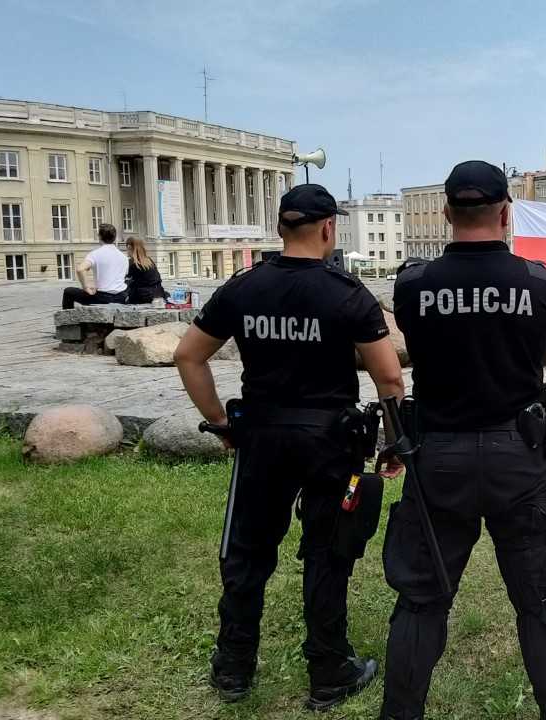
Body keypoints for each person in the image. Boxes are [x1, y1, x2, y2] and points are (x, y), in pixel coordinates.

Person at [173, 183, 405, 710]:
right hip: (330, 440)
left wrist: (219, 422)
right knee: (328, 552)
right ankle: (329, 669)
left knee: (247, 553)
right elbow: (389, 378)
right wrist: (395, 444)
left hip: (261, 436)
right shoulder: (347, 293)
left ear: (280, 228)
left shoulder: (243, 287)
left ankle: (233, 667)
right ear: (329, 228)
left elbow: (189, 356)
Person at [380, 160, 546, 720]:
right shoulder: (538, 280)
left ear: (447, 213)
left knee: (421, 601)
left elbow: (417, 343)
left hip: (439, 458)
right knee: (542, 600)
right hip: (521, 457)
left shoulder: (414, 284)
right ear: (506, 213)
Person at [61, 224, 128, 309]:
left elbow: (80, 269)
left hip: (102, 298)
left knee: (68, 292)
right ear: (114, 237)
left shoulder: (95, 254)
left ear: (99, 236)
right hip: (120, 297)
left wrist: (86, 287)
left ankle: (68, 317)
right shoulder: (124, 257)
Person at [124, 236, 167, 304]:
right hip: (158, 294)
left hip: (142, 298)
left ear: (129, 247)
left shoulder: (133, 263)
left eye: (127, 248)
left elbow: (127, 282)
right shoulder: (149, 261)